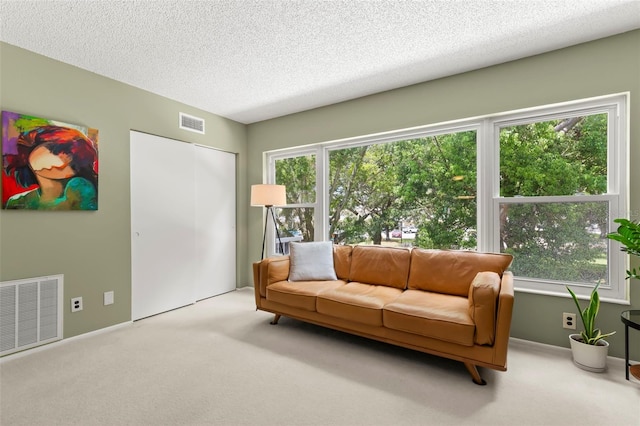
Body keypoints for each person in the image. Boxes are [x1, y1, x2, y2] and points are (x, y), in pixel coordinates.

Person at [4, 125, 98, 210]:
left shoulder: (83, 193)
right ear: (28, 153)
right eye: (54, 150)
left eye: (72, 155)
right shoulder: (17, 202)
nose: (64, 159)